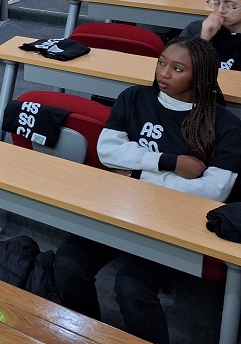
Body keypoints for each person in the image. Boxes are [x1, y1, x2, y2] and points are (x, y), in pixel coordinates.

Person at [53, 37, 241, 344]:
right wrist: (169, 162)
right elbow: (108, 152)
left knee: (131, 288)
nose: (163, 73)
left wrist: (136, 173)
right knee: (67, 265)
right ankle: (87, 334)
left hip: (175, 221)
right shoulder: (134, 97)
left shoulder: (224, 125)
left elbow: (212, 191)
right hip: (122, 205)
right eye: (162, 62)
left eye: (177, 69)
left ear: (200, 77)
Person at [181, 0, 241, 70]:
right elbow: (178, 66)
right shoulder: (196, 28)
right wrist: (203, 39)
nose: (220, 10)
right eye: (216, 3)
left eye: (229, 5)